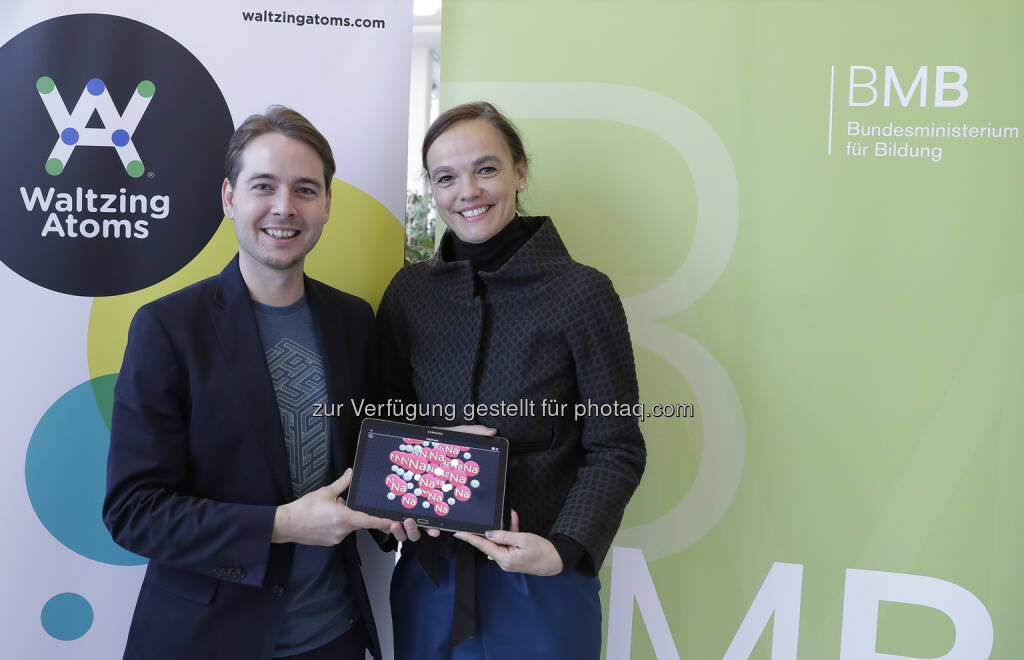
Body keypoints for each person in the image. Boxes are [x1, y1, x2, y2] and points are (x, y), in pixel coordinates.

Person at [103, 105, 402, 660]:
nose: (284, 208)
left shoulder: (355, 321)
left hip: (334, 637)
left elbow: (377, 459)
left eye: (305, 189)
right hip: (208, 640)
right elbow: (133, 511)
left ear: (327, 205)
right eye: (264, 185)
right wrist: (282, 525)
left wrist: (436, 477)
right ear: (229, 197)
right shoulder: (169, 328)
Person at [377, 101, 647, 659]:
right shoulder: (409, 294)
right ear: (432, 190)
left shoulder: (582, 293)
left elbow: (616, 445)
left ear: (520, 172)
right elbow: (386, 424)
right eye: (446, 177)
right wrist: (393, 507)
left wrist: (565, 548)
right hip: (431, 577)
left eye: (487, 169)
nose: (467, 191)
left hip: (542, 580)